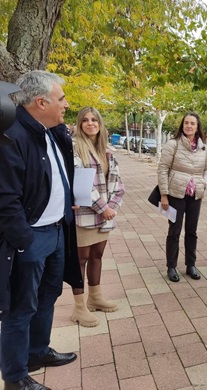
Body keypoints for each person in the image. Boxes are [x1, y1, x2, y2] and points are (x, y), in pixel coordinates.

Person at [0, 70, 83, 390]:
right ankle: (15, 377)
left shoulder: (52, 131)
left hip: (58, 231)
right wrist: (24, 241)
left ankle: (36, 352)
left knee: (48, 296)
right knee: (20, 308)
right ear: (41, 101)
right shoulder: (12, 135)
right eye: (61, 99)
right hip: (32, 237)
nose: (66, 104)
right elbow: (6, 199)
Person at [69, 107, 125, 327]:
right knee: (80, 259)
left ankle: (95, 297)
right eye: (85, 120)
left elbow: (118, 184)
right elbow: (79, 183)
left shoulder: (107, 150)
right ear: (80, 124)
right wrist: (103, 207)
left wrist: (111, 207)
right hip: (85, 214)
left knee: (97, 256)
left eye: (94, 120)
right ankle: (79, 307)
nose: (90, 123)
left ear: (100, 124)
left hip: (105, 214)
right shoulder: (75, 148)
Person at [158, 113, 207, 282]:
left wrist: (204, 182)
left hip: (195, 195)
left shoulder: (204, 148)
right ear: (182, 126)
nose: (189, 126)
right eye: (186, 123)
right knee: (174, 231)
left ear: (197, 127)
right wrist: (164, 195)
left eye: (193, 124)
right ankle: (171, 266)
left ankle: (190, 265)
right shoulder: (172, 145)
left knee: (192, 231)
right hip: (175, 194)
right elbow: (163, 169)